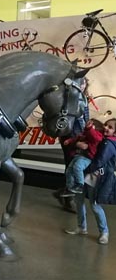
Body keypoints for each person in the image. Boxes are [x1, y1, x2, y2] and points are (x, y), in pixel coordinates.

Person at [64, 118, 116, 245]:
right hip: (88, 174)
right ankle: (82, 227)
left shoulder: (109, 144)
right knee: (79, 200)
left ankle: (104, 232)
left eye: (110, 127)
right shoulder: (103, 139)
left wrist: (87, 165)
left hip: (96, 177)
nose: (106, 128)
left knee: (95, 205)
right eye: (105, 125)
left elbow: (99, 160)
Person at [53, 78, 90, 212]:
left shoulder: (85, 98)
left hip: (80, 136)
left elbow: (86, 119)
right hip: (69, 137)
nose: (82, 84)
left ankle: (62, 193)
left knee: (74, 166)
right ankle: (68, 199)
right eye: (80, 82)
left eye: (84, 82)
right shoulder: (69, 98)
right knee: (71, 165)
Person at [60, 119, 104, 196]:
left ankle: (80, 185)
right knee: (69, 171)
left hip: (86, 158)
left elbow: (94, 136)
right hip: (78, 156)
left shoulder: (97, 137)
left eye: (90, 125)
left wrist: (89, 128)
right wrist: (69, 141)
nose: (86, 126)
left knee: (77, 167)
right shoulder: (84, 135)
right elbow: (76, 138)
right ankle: (70, 188)